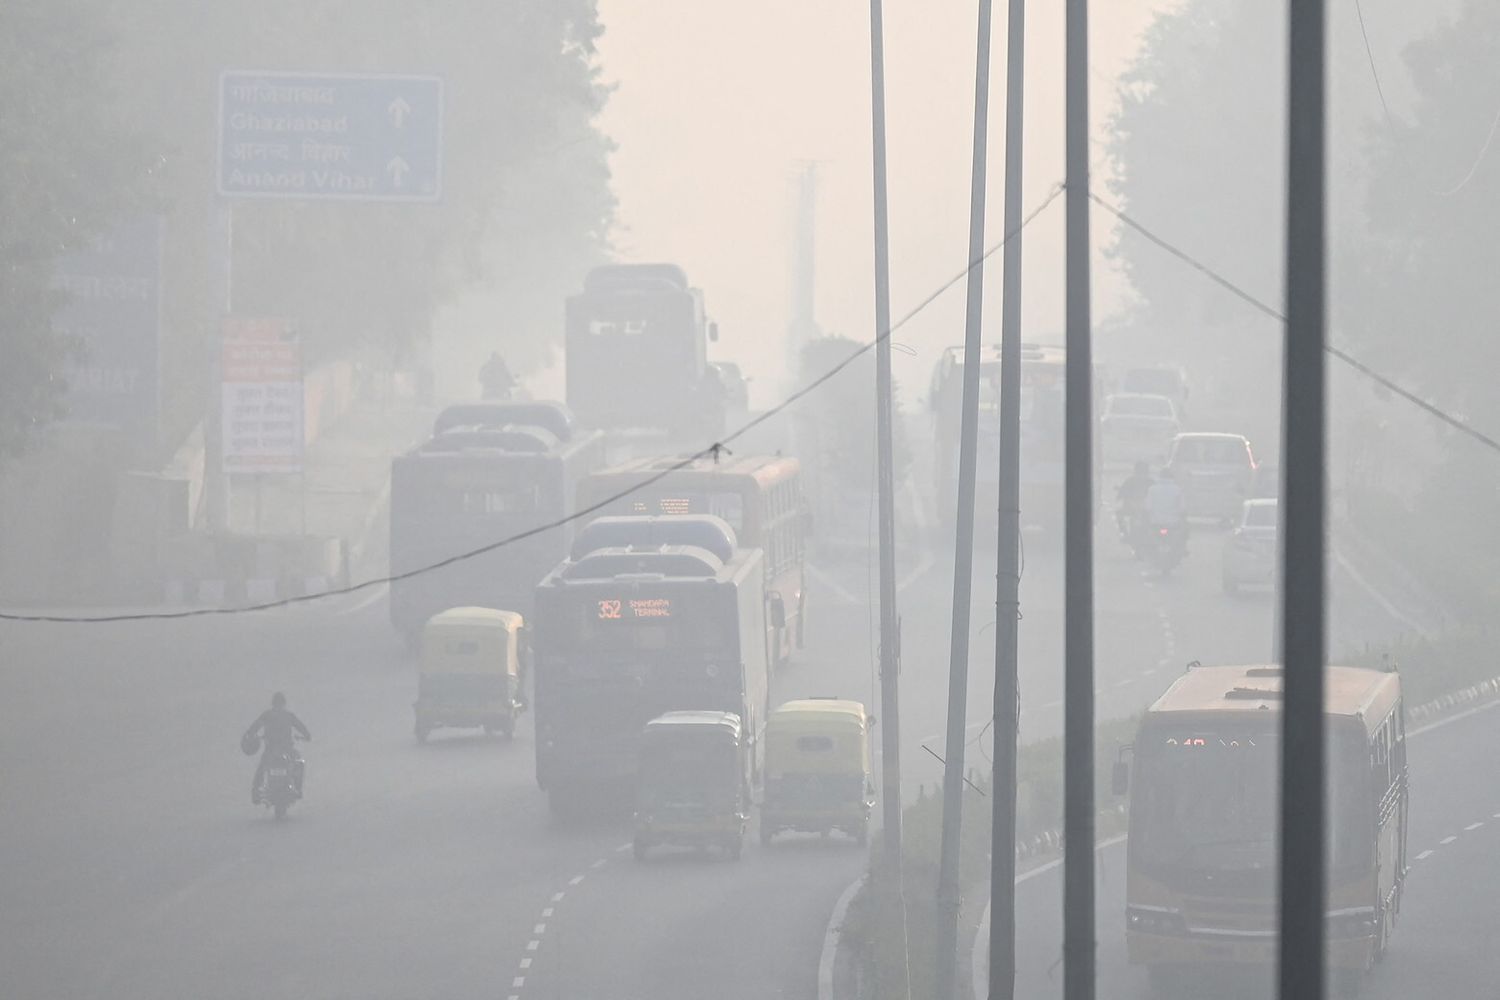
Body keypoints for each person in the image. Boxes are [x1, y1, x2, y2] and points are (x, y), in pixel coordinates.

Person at [244, 692, 311, 804]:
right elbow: (301, 727)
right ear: (284, 703)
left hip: (271, 749)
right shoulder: (289, 716)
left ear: (273, 703)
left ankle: (255, 791)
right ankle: (298, 788)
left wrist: (250, 735)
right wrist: (306, 736)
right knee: (298, 763)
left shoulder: (267, 715)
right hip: (287, 750)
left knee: (262, 767)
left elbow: (255, 727)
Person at [1144, 466, 1189, 553]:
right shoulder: (1177, 490)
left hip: (1155, 522)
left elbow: (1148, 507)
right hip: (1173, 523)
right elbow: (1182, 508)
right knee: (1186, 528)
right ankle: (1184, 549)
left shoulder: (1152, 489)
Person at [1115, 460, 1154, 539]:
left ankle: (1124, 533)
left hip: (1131, 508)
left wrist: (1120, 494)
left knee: (1119, 514)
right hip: (1146, 509)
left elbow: (1121, 493)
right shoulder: (1151, 481)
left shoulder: (1130, 480)